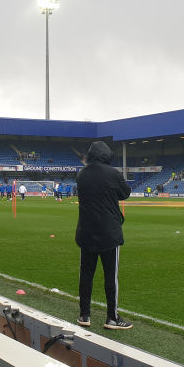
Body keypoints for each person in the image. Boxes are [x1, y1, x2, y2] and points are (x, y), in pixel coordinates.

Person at [75, 141, 132, 330]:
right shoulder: (112, 173)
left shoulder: (81, 174)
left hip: (86, 231)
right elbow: (125, 193)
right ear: (107, 155)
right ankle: (112, 317)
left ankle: (84, 315)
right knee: (110, 276)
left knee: (86, 274)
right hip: (109, 232)